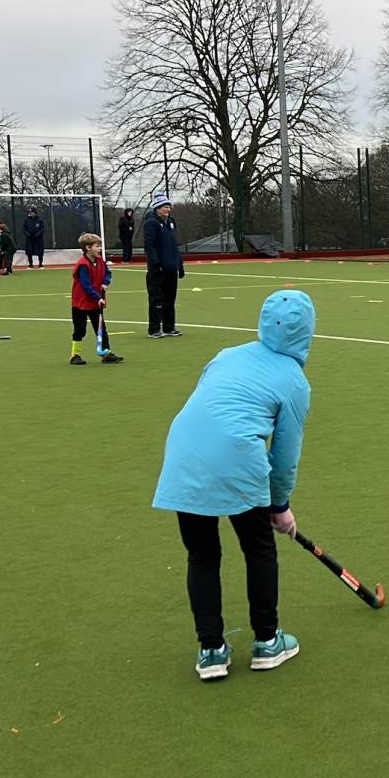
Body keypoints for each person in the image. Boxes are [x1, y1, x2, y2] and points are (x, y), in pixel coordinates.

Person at [153, 290, 314, 680]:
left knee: (202, 556)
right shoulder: (294, 381)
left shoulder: (227, 355)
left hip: (183, 457)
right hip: (237, 460)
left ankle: (211, 651)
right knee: (259, 550)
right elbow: (284, 456)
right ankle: (267, 641)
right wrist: (280, 505)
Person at [69, 234, 123, 366]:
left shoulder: (100, 261)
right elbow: (86, 285)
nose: (100, 248)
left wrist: (105, 282)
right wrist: (98, 297)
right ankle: (75, 355)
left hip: (95, 302)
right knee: (80, 329)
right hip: (81, 303)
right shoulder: (83, 265)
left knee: (101, 329)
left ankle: (106, 353)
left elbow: (108, 273)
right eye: (97, 246)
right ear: (88, 248)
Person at [145, 192, 184, 338]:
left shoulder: (171, 222)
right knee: (156, 299)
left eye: (168, 206)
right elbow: (149, 245)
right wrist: (156, 264)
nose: (168, 209)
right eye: (164, 207)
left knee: (170, 299)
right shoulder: (151, 223)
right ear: (157, 208)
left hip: (171, 268)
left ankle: (169, 327)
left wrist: (180, 264)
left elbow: (174, 245)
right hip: (158, 269)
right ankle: (154, 329)